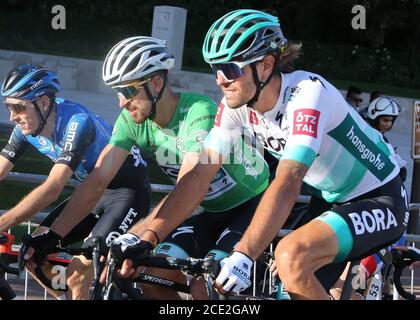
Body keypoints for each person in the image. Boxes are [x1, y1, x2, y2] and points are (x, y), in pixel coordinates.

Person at [23, 37, 270, 299]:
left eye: (128, 91)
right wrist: (54, 235)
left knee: (205, 287)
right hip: (206, 209)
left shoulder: (200, 113)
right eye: (117, 92)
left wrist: (137, 236)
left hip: (249, 206)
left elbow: (188, 185)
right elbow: (96, 181)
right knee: (150, 274)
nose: (121, 102)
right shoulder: (132, 121)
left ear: (155, 83)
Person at [0, 64, 151, 299]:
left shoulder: (77, 122)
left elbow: (53, 188)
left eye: (18, 107)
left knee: (78, 273)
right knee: (34, 256)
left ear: (43, 103)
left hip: (126, 194)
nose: (12, 116)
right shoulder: (24, 128)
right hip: (90, 196)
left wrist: (3, 222)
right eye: (8, 106)